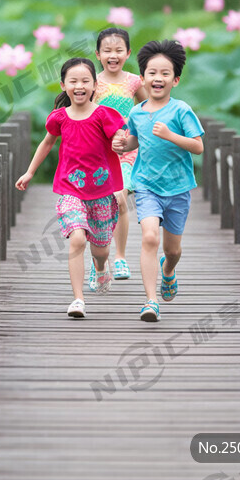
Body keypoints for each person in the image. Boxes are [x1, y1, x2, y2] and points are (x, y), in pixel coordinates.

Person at [16, 58, 125, 318]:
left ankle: (100, 266)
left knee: (101, 248)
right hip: (70, 188)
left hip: (100, 190)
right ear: (63, 85)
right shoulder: (59, 118)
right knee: (77, 239)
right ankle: (78, 299)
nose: (79, 86)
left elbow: (121, 136)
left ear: (95, 85)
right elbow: (46, 143)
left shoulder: (104, 115)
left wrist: (122, 140)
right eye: (73, 81)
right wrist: (30, 172)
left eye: (85, 81)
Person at [113, 40, 204, 323]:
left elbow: (198, 146)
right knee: (149, 237)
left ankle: (168, 270)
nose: (158, 78)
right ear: (142, 78)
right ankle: (151, 301)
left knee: (172, 250)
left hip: (177, 188)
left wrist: (170, 135)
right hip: (147, 185)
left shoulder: (181, 110)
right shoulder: (137, 112)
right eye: (152, 73)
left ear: (175, 80)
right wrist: (121, 144)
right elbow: (133, 141)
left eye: (165, 73)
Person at [91, 27, 145, 287]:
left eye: (118, 50)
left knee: (120, 196)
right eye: (107, 51)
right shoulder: (92, 82)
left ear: (128, 53)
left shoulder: (135, 82)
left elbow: (149, 109)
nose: (113, 55)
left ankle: (121, 257)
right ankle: (98, 263)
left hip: (126, 151)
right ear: (98, 54)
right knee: (97, 207)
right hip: (97, 152)